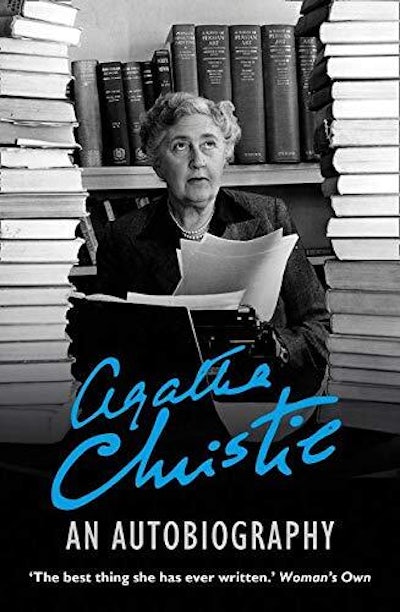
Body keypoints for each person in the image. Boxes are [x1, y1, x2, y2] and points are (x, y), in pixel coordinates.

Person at [96, 92, 329, 406]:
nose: (198, 160)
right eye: (180, 146)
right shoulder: (122, 237)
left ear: (225, 154)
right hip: (170, 409)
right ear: (158, 163)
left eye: (209, 144)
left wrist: (273, 345)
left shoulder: (269, 216)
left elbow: (320, 328)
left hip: (262, 403)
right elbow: (105, 351)